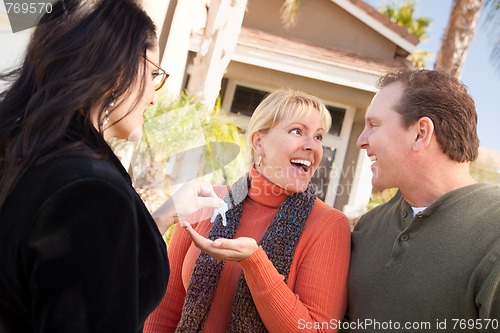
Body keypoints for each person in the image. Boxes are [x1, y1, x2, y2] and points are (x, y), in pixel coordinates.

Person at [0, 1, 223, 332]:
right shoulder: (90, 191)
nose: (153, 96)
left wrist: (160, 217)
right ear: (117, 66)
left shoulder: (26, 154)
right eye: (153, 74)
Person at [144, 89, 351, 333]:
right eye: (297, 131)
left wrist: (254, 263)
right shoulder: (205, 202)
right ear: (258, 141)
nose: (312, 147)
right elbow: (165, 309)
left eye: (318, 137)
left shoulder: (328, 225)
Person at [346, 69, 500, 332]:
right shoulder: (368, 227)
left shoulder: (494, 230)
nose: (362, 141)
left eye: (374, 125)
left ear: (420, 133)